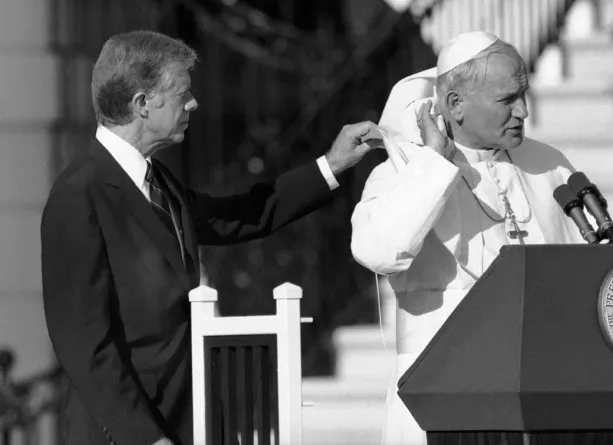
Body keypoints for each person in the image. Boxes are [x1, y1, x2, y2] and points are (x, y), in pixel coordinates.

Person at [41, 30, 382, 445]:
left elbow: (240, 215)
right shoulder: (79, 195)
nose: (193, 103)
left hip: (188, 422)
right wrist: (146, 438)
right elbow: (85, 346)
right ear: (142, 104)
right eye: (183, 92)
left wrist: (332, 164)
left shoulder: (158, 181)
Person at [350, 31, 584, 444]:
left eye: (524, 95)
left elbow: (588, 269)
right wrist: (435, 166)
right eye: (507, 99)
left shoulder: (549, 164)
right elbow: (377, 251)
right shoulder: (403, 171)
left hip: (540, 388)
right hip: (439, 394)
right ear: (455, 104)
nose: (524, 111)